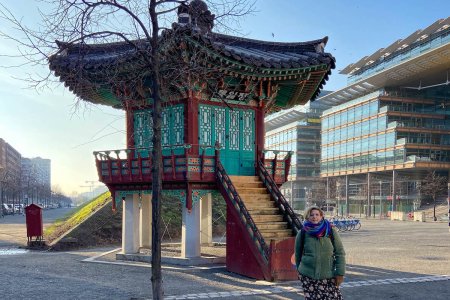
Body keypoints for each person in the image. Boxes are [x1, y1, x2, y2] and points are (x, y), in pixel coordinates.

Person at [295, 206, 346, 300]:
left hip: (328, 275)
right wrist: (299, 271)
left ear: (322, 216)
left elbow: (340, 253)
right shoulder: (302, 233)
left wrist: (340, 273)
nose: (314, 217)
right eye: (311, 215)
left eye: (317, 214)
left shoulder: (330, 231)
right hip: (308, 276)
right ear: (307, 217)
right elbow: (298, 255)